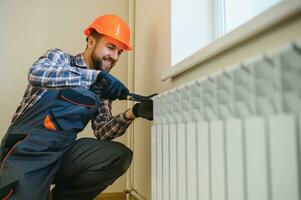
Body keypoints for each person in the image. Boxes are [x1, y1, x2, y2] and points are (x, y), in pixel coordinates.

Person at [0, 14, 153, 200]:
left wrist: (133, 112)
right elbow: (36, 74)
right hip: (26, 152)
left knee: (117, 156)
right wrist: (92, 77)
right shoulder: (60, 59)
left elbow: (103, 132)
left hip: (62, 153)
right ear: (90, 41)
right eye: (111, 47)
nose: (114, 57)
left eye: (119, 52)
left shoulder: (101, 88)